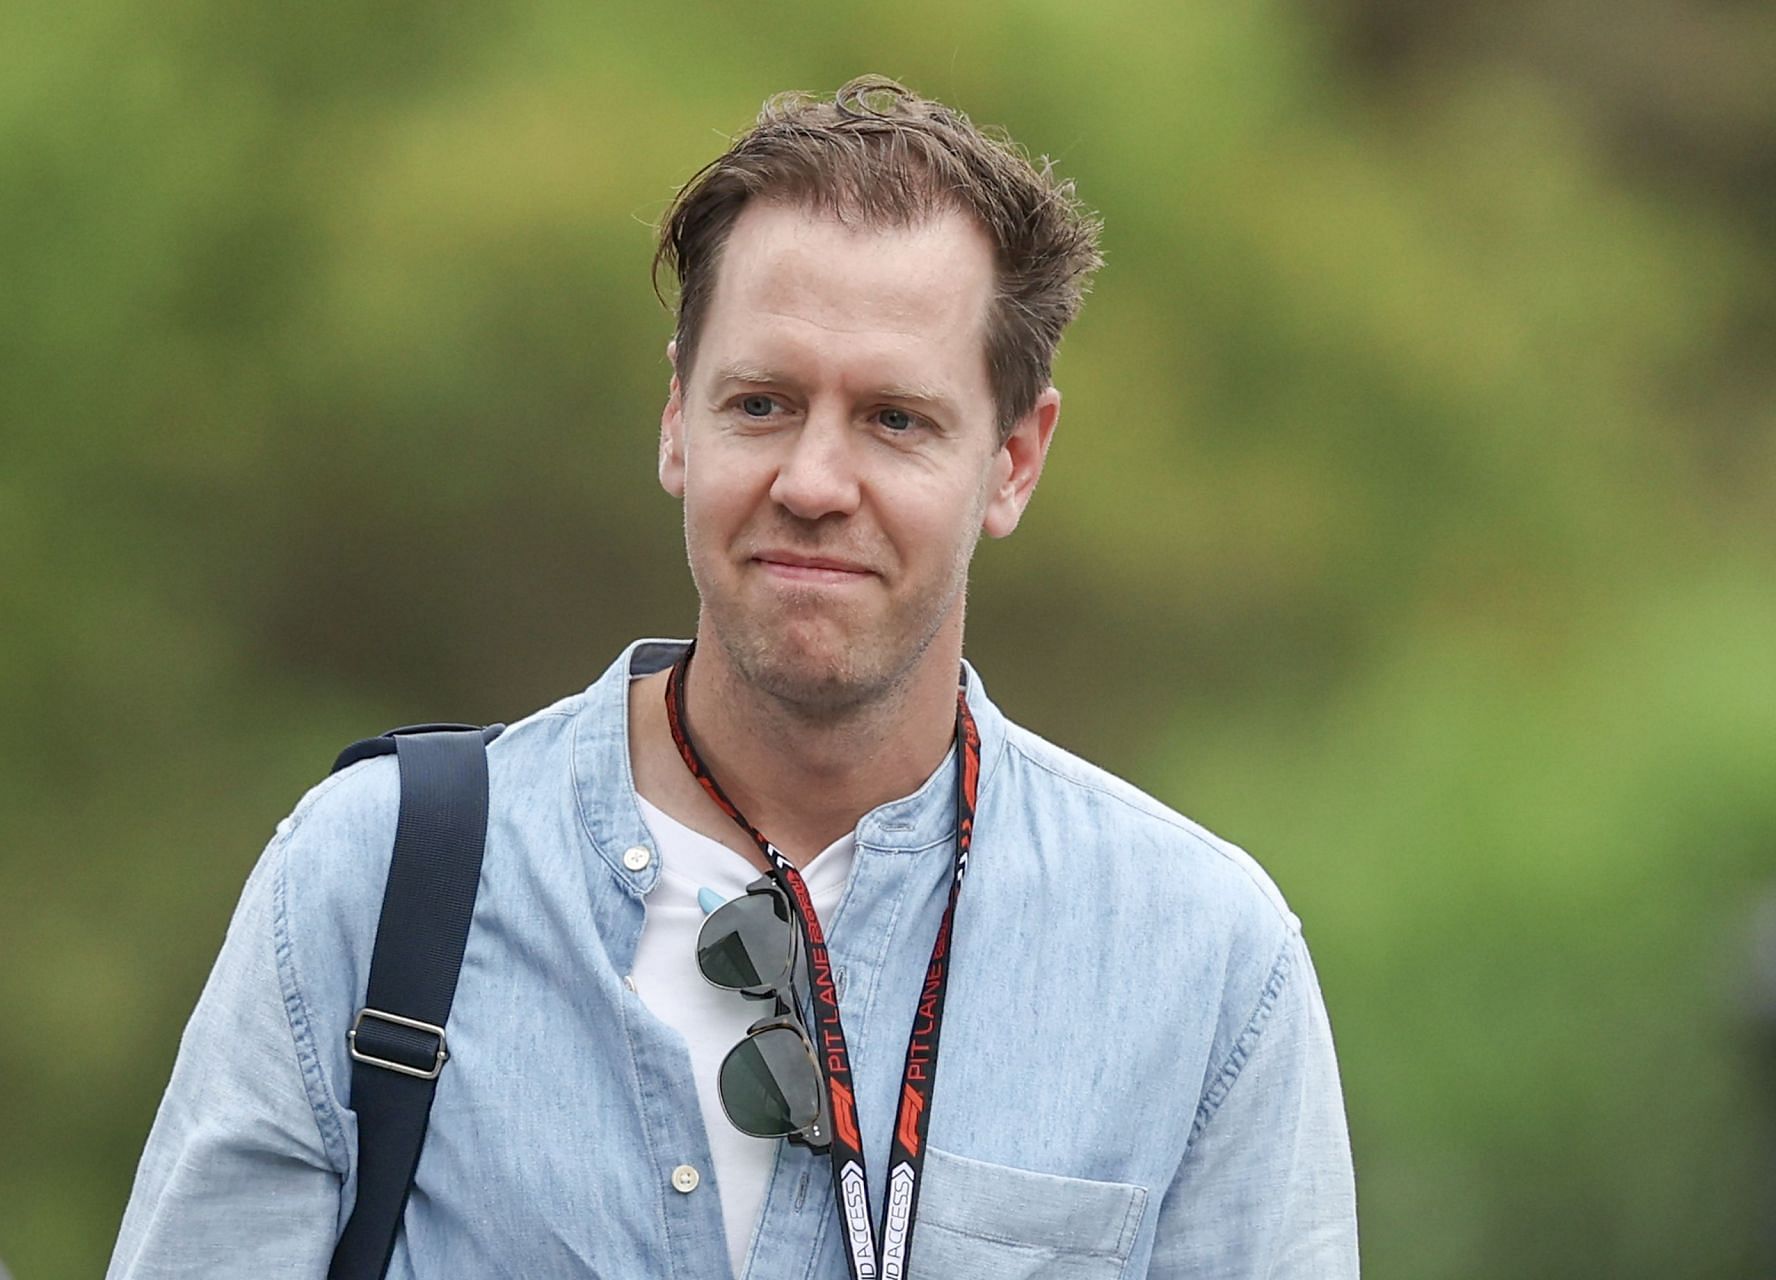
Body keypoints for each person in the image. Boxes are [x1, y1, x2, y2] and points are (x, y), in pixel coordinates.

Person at [109, 76, 1359, 1278]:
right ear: (675, 421)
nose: (813, 482)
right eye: (760, 403)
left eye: (896, 420)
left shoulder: (1202, 962)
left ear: (1016, 460)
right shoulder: (375, 882)